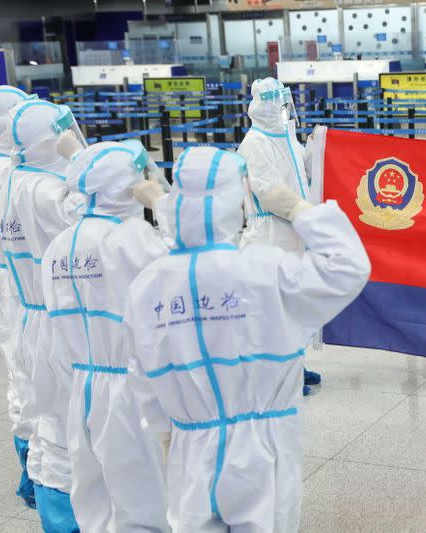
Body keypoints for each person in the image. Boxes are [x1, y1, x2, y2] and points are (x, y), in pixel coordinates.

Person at [123, 147, 370, 532]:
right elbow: (349, 266)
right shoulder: (264, 269)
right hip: (262, 449)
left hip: (190, 446)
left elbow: (141, 377)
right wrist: (301, 210)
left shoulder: (147, 286)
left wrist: (169, 431)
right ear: (235, 201)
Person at [40, 141, 170, 532]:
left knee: (94, 499)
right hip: (133, 389)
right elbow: (184, 273)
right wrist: (163, 204)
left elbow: (56, 333)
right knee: (145, 502)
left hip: (83, 386)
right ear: (127, 186)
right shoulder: (135, 238)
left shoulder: (60, 245)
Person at [2, 99, 86, 532]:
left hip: (36, 316)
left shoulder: (19, 175)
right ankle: (64, 521)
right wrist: (83, 162)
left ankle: (54, 509)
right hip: (56, 322)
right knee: (61, 428)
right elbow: (89, 214)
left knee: (49, 420)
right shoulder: (48, 191)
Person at [238, 77, 323, 395]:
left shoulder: (286, 137)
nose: (281, 108)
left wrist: (317, 148)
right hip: (271, 235)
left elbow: (304, 172)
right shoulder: (254, 144)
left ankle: (295, 366)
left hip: (293, 235)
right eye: (274, 101)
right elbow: (271, 194)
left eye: (282, 100)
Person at [0, 85, 38, 508]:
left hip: (28, 283)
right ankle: (33, 471)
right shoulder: (5, 169)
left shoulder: (16, 165)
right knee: (25, 377)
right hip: (19, 287)